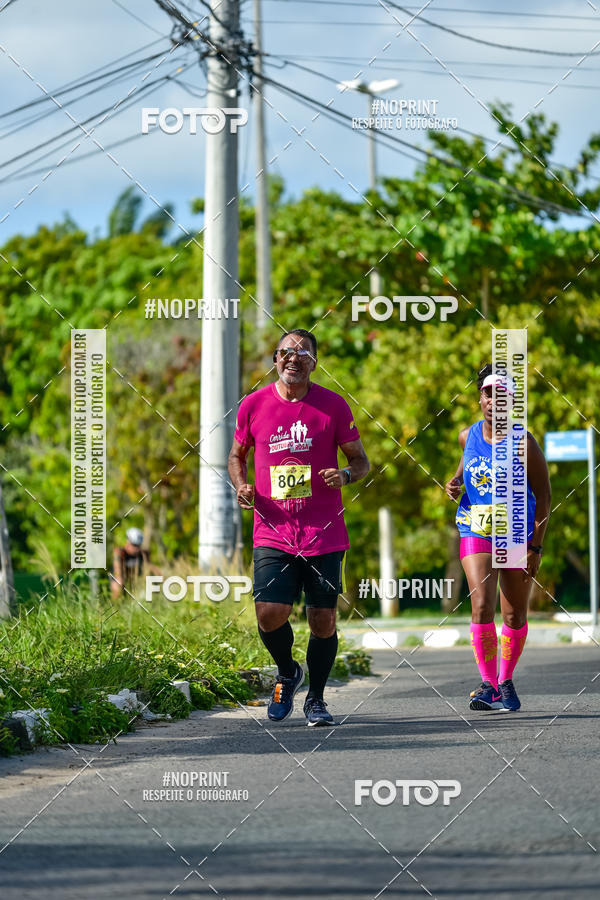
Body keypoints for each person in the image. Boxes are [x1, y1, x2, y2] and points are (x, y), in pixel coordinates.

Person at [228, 329, 370, 726]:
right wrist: (241, 485)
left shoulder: (333, 407)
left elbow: (361, 461)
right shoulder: (253, 405)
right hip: (272, 529)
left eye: (302, 353)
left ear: (314, 363)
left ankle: (318, 700)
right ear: (275, 359)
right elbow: (236, 456)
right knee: (269, 613)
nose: (293, 358)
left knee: (322, 621)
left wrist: (344, 474)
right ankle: (288, 672)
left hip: (323, 532)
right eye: (285, 352)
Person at [445, 364, 551, 712]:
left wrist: (536, 547)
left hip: (517, 532)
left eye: (502, 395)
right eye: (489, 393)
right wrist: (456, 480)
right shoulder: (467, 435)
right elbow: (467, 464)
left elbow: (545, 496)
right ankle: (488, 684)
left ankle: (505, 680)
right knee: (480, 605)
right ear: (480, 398)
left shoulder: (524, 442)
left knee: (514, 615)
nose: (494, 401)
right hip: (475, 526)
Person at [111, 527, 152, 598]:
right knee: (118, 585)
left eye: (138, 545)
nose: (136, 548)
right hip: (120, 579)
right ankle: (115, 605)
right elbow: (118, 572)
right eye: (134, 545)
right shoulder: (119, 552)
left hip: (134, 581)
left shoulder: (143, 554)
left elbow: (149, 568)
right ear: (128, 541)